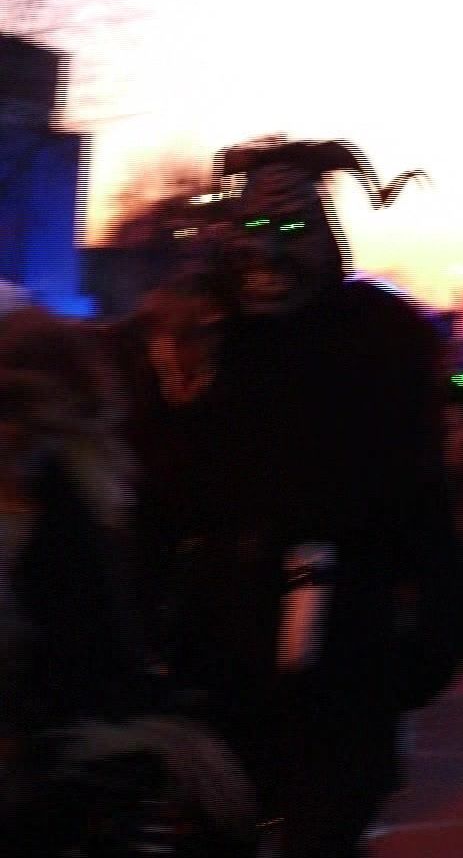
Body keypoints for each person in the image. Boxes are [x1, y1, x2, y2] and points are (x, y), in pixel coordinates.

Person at [135, 136, 463, 858]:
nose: (273, 252)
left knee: (325, 827)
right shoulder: (192, 341)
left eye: (294, 229)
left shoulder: (379, 341)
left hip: (345, 650)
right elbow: (148, 504)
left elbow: (421, 500)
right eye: (257, 227)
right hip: (213, 648)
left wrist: (432, 636)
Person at [0, 305, 255, 856]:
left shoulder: (64, 485)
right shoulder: (85, 480)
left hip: (56, 741)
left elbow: (79, 617)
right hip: (72, 735)